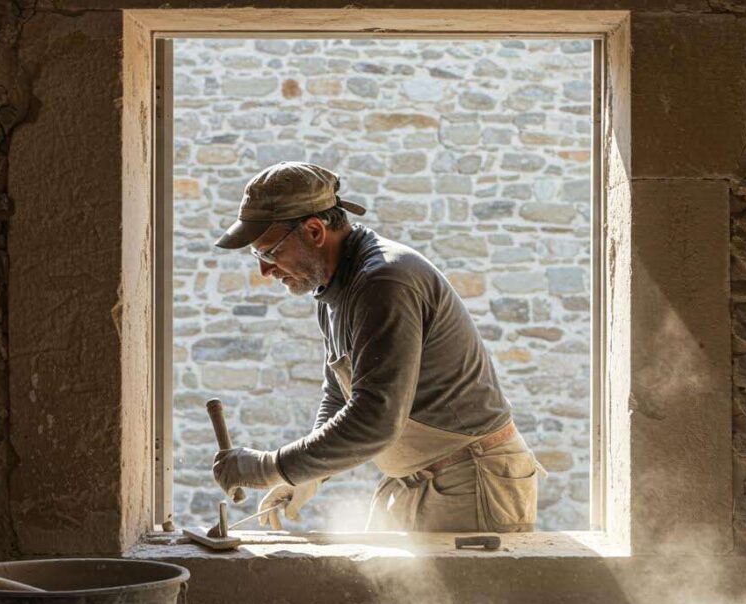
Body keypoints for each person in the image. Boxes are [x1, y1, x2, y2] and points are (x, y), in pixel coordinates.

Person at [211, 161, 544, 532]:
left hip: (471, 480)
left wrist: (270, 467)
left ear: (315, 230)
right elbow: (339, 394)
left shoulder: (385, 282)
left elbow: (376, 419)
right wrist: (308, 475)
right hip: (412, 480)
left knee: (462, 594)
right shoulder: (332, 291)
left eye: (268, 253)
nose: (265, 271)